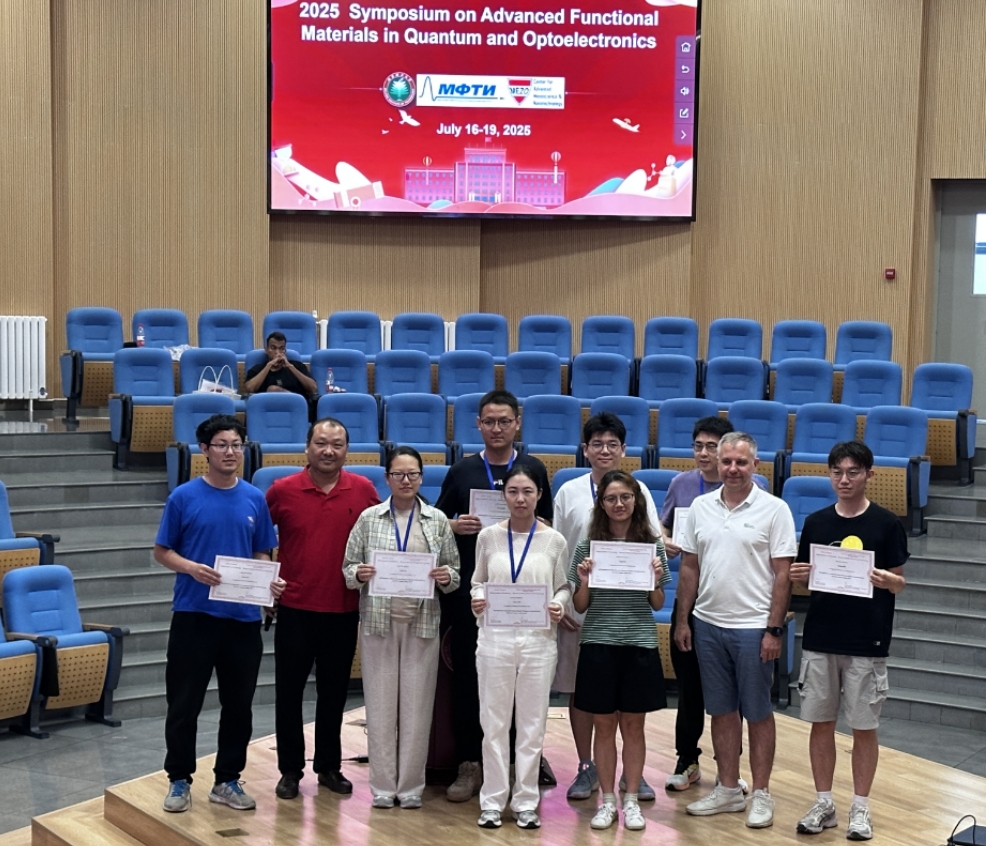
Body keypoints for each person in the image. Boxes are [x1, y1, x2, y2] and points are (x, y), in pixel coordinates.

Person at [155, 414, 284, 813]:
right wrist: (192, 568)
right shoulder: (183, 497)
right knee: (184, 704)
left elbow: (262, 551)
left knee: (239, 706)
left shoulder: (254, 498)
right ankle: (179, 779)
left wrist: (266, 583)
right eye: (222, 445)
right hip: (194, 615)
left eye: (237, 445)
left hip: (242, 620)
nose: (230, 452)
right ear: (204, 450)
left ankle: (227, 779)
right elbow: (162, 551)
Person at [435, 389, 553, 802]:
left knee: (526, 680)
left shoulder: (533, 469)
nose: (497, 428)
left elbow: (548, 525)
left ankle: (524, 764)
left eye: (505, 421)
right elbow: (436, 521)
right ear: (478, 425)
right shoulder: (462, 470)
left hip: (526, 596)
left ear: (517, 423)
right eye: (489, 421)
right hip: (476, 596)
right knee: (472, 679)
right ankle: (470, 762)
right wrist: (455, 526)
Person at [675, 432, 796, 829]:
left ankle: (761, 793)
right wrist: (683, 619)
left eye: (741, 462)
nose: (732, 468)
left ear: (755, 465)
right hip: (707, 624)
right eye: (726, 461)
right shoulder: (700, 507)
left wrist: (774, 629)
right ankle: (728, 788)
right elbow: (689, 566)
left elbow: (783, 575)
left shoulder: (775, 510)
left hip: (753, 628)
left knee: (758, 712)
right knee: (721, 711)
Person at [789, 441, 907, 841]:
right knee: (820, 724)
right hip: (821, 637)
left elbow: (899, 582)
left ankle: (861, 807)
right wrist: (801, 576)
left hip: (866, 640)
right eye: (837, 472)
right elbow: (810, 580)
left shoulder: (887, 524)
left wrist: (890, 581)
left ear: (869, 475)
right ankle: (824, 802)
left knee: (863, 727)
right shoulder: (817, 522)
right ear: (829, 475)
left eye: (853, 472)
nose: (844, 479)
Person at [265, 418, 380, 800]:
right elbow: (258, 538)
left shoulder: (363, 490)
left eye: (337, 444)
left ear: (347, 450)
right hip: (295, 608)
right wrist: (263, 582)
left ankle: (329, 766)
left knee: (334, 694)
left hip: (343, 609)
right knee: (289, 694)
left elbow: (384, 534)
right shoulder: (282, 490)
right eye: (321, 443)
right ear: (307, 447)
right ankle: (289, 770)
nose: (328, 451)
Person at [343, 446, 461, 810]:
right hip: (378, 623)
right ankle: (382, 786)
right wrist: (359, 573)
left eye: (412, 474)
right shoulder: (369, 518)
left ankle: (410, 787)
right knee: (380, 707)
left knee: (417, 708)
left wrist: (446, 577)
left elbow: (455, 572)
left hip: (421, 624)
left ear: (422, 478)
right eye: (398, 474)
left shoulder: (437, 520)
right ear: (387, 478)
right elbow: (348, 569)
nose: (406, 480)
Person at [552, 412, 662, 802]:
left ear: (623, 449)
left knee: (630, 710)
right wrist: (564, 600)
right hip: (579, 607)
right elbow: (558, 549)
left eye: (611, 444)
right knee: (580, 692)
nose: (604, 450)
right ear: (585, 449)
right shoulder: (568, 491)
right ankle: (587, 767)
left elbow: (651, 542)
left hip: (629, 614)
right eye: (596, 443)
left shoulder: (640, 490)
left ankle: (633, 775)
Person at [660, 416, 765, 793]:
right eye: (698, 446)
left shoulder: (756, 489)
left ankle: (729, 768)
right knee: (690, 687)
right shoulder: (681, 484)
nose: (704, 453)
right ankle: (687, 759)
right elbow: (663, 527)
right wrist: (665, 540)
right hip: (692, 600)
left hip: (737, 602)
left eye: (712, 447)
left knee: (732, 692)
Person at [569, 469, 670, 831]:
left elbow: (657, 603)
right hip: (598, 642)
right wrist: (583, 581)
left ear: (635, 500)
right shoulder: (588, 546)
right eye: (611, 498)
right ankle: (608, 801)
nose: (619, 504)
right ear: (601, 503)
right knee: (603, 725)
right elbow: (580, 605)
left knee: (633, 726)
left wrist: (655, 580)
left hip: (638, 643)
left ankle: (631, 801)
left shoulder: (652, 545)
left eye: (625, 497)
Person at [470, 465, 570, 830]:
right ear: (504, 496)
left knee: (531, 726)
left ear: (539, 495)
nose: (520, 499)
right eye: (513, 491)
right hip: (494, 639)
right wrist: (478, 598)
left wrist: (559, 604)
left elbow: (563, 586)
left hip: (538, 642)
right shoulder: (488, 537)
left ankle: (526, 801)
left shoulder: (555, 541)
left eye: (528, 491)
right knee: (493, 724)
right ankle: (492, 802)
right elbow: (478, 581)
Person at [244, 331, 317, 396]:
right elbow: (249, 389)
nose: (277, 352)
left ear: (285, 351)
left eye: (281, 348)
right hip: (268, 406)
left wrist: (290, 367)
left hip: (295, 406)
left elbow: (313, 388)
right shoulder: (257, 369)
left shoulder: (297, 366)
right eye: (273, 348)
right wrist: (269, 365)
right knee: (272, 389)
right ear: (266, 350)